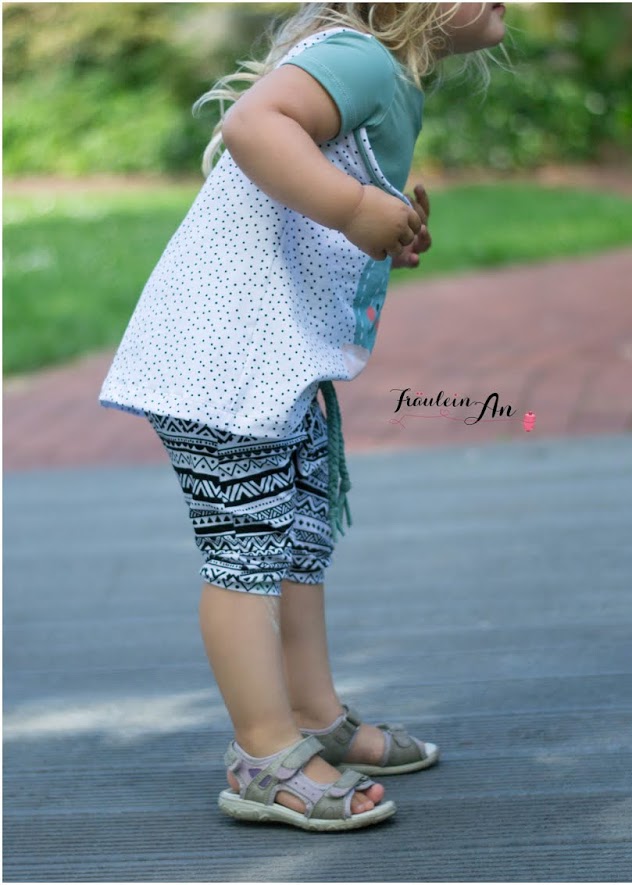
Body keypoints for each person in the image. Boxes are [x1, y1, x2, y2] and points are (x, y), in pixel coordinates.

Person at [98, 2, 507, 831]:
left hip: (269, 361)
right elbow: (256, 125)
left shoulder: (382, 72)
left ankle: (313, 715)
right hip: (225, 361)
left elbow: (303, 191)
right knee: (245, 551)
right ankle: (263, 752)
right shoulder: (359, 57)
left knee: (298, 538)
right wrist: (354, 209)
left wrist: (377, 227)